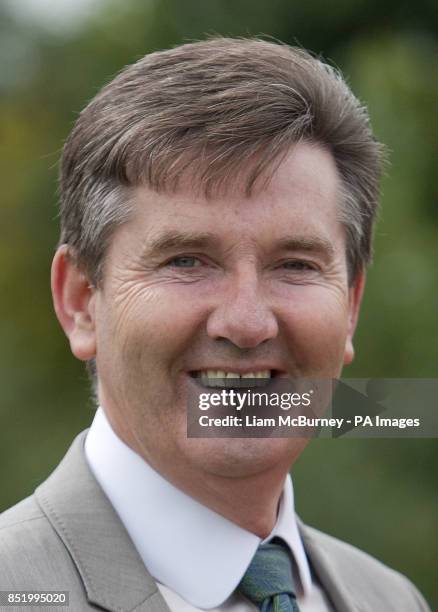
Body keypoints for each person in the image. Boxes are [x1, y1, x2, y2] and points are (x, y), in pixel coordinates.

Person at [0, 37, 430, 612]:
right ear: (81, 301)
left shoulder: (392, 599)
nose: (247, 323)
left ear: (350, 306)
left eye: (295, 265)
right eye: (186, 261)